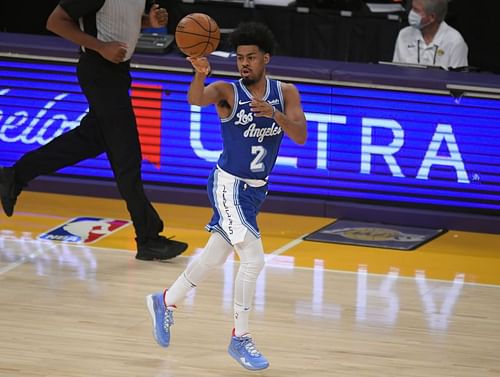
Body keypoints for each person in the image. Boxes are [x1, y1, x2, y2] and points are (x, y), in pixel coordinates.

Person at [145, 22, 307, 371]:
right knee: (253, 260)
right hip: (227, 185)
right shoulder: (226, 92)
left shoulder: (286, 92)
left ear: (266, 58)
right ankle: (240, 338)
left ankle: (165, 300)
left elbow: (301, 136)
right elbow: (194, 99)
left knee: (215, 257)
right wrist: (199, 76)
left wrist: (274, 114)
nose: (244, 63)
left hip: (255, 191)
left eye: (251, 57)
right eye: (239, 58)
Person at [0, 0, 188, 261]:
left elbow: (117, 21)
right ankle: (148, 238)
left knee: (87, 141)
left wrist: (149, 22)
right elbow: (55, 21)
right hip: (99, 71)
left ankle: (14, 176)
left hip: (117, 73)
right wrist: (100, 47)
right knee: (127, 157)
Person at [393, 0, 468, 69]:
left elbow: (457, 80)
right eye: (412, 8)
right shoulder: (404, 35)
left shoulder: (455, 42)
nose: (411, 13)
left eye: (416, 10)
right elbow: (396, 72)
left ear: (432, 17)